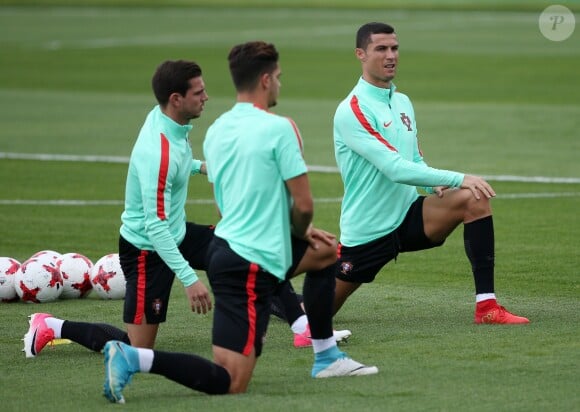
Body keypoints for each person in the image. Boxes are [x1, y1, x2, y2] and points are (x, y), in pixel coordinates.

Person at [101, 41, 378, 403]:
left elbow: (222, 206)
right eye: (278, 77)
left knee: (326, 251)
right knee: (232, 381)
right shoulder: (281, 128)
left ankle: (323, 353)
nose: (280, 83)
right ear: (265, 80)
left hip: (224, 257)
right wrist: (298, 230)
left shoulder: (216, 129)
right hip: (251, 264)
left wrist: (298, 234)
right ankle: (134, 357)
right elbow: (304, 204)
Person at [22, 60, 342, 361]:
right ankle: (52, 326)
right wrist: (189, 279)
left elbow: (178, 163)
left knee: (251, 249)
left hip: (180, 233)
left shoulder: (169, 121)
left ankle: (304, 328)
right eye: (198, 92)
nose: (207, 97)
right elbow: (155, 226)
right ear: (176, 99)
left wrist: (204, 167)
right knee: (137, 349)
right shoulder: (157, 151)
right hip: (148, 249)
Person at [332, 22, 529, 325]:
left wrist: (435, 180)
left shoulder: (402, 102)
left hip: (408, 215)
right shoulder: (353, 109)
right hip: (368, 230)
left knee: (472, 198)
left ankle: (486, 307)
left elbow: (412, 158)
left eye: (394, 48)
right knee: (314, 314)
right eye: (381, 49)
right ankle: (278, 301)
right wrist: (456, 177)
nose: (390, 56)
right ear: (361, 54)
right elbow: (394, 168)